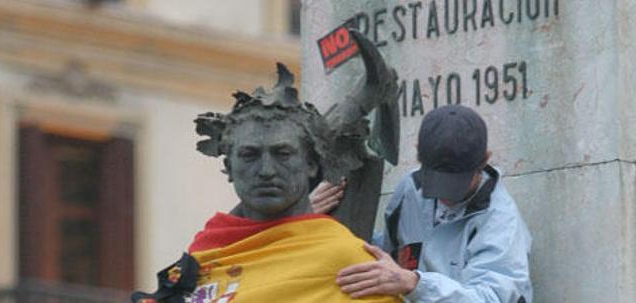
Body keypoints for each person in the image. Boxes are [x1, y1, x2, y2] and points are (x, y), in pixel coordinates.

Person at [132, 64, 399, 303]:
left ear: (312, 165)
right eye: (249, 155)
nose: (266, 171)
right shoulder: (204, 255)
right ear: (228, 168)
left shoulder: (348, 261)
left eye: (283, 154)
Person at [312, 104, 533, 302]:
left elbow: (492, 298)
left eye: (456, 182)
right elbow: (385, 250)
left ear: (484, 160)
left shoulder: (500, 221)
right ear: (419, 156)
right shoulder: (411, 187)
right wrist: (318, 219)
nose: (445, 195)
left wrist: (415, 284)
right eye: (437, 181)